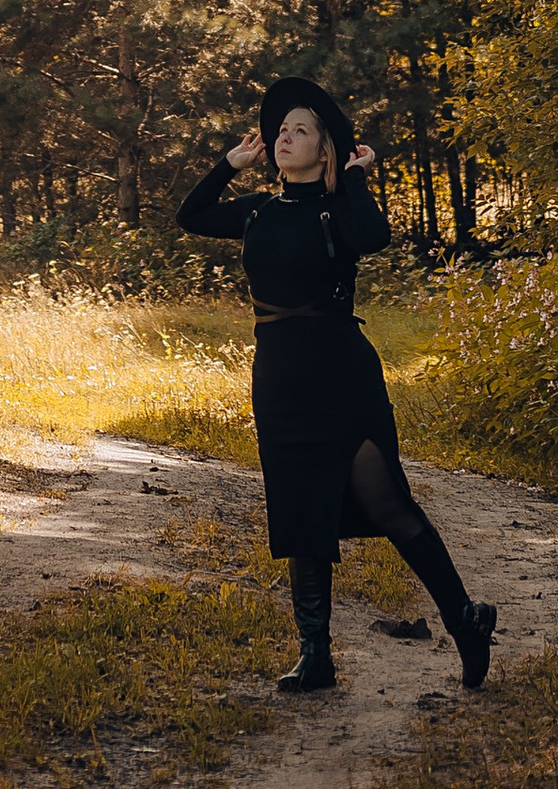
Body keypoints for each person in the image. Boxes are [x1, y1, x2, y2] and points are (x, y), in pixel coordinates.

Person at [178, 76, 496, 698]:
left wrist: (354, 177)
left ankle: (465, 619)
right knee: (300, 510)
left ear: (325, 148)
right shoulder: (258, 210)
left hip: (341, 372)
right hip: (280, 378)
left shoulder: (337, 207)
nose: (284, 136)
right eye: (280, 130)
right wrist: (228, 165)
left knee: (387, 500)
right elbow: (190, 216)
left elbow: (371, 238)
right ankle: (315, 655)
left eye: (300, 129)